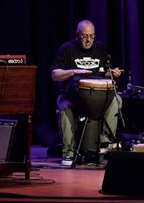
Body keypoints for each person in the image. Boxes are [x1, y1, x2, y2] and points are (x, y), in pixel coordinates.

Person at [51, 20, 123, 166]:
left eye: (91, 36)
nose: (88, 40)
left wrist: (112, 73)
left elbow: (103, 73)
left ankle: (105, 144)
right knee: (64, 107)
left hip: (96, 96)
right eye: (84, 36)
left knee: (117, 99)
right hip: (72, 96)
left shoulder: (101, 48)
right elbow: (55, 74)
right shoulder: (67, 49)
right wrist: (74, 71)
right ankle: (68, 152)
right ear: (78, 35)